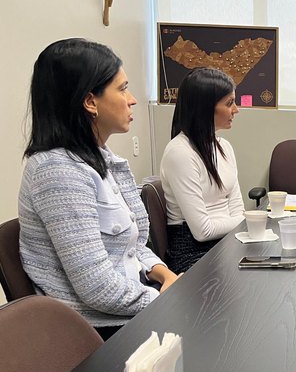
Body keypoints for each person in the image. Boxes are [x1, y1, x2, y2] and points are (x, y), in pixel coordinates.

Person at [18, 39, 178, 340]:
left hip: (132, 307)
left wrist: (164, 275)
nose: (131, 100)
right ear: (90, 102)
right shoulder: (57, 171)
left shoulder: (101, 161)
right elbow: (96, 286)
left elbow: (132, 247)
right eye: (122, 89)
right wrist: (161, 301)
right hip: (94, 331)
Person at [160, 68, 245, 273]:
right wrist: (247, 220)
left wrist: (245, 219)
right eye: (229, 103)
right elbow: (202, 231)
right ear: (205, 108)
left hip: (226, 242)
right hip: (191, 252)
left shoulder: (224, 147)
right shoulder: (180, 152)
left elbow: (237, 209)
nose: (236, 109)